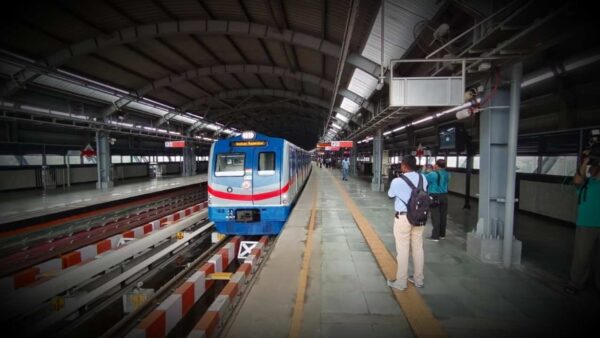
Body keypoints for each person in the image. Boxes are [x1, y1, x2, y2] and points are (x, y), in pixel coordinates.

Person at [386, 155, 428, 290]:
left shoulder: (397, 181)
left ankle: (401, 282)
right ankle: (418, 280)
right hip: (419, 218)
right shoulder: (423, 178)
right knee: (418, 248)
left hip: (403, 218)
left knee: (403, 250)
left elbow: (390, 195)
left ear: (404, 166)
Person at [564, 152, 600, 295]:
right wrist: (585, 161)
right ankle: (576, 283)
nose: (593, 168)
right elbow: (578, 178)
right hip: (587, 224)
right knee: (582, 256)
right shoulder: (585, 184)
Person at [425, 159, 450, 241]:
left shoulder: (433, 174)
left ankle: (435, 236)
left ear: (437, 165)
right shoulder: (448, 174)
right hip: (444, 196)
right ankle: (442, 235)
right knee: (443, 216)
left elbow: (424, 178)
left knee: (435, 216)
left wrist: (425, 170)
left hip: (435, 196)